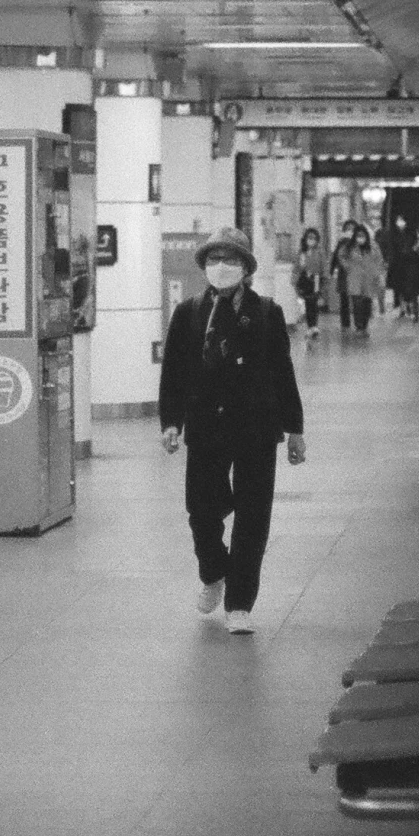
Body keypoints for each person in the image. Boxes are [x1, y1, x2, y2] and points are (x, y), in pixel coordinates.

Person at [157, 227, 305, 635]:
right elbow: (174, 372)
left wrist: (294, 428)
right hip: (205, 426)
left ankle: (240, 603)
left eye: (232, 260)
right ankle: (213, 572)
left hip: (257, 426)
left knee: (253, 517)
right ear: (204, 266)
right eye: (214, 260)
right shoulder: (188, 312)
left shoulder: (267, 312)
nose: (221, 268)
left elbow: (282, 373)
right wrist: (171, 422)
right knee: (201, 511)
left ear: (247, 268)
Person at [341, 226, 385, 335]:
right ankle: (359, 327)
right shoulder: (349, 247)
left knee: (367, 304)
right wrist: (347, 266)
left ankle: (365, 326)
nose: (360, 238)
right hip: (354, 279)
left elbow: (379, 260)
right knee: (357, 304)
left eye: (363, 236)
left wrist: (378, 274)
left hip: (369, 280)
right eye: (358, 236)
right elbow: (341, 255)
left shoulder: (373, 246)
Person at [293, 226, 326, 342]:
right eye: (309, 238)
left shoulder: (319, 252)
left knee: (314, 302)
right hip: (304, 280)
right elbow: (297, 267)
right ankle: (310, 326)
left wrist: (324, 278)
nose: (311, 240)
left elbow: (323, 266)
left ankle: (314, 326)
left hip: (316, 279)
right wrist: (294, 281)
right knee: (307, 303)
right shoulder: (301, 252)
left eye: (314, 238)